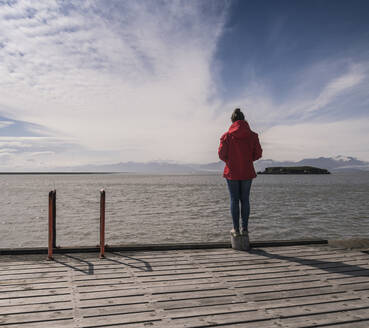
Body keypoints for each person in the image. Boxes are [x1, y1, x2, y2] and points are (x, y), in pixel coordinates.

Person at [218, 108, 262, 242]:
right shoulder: (253, 136)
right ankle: (245, 229)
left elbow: (221, 154)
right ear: (244, 119)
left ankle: (236, 230)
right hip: (247, 171)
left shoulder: (226, 136)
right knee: (245, 200)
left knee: (234, 200)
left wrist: (231, 161)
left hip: (232, 172)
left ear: (232, 120)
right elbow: (258, 153)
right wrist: (247, 161)